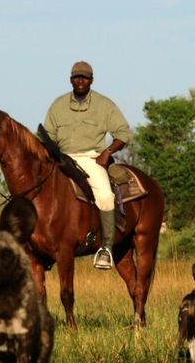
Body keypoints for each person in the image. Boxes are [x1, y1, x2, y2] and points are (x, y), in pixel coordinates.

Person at [43, 60, 133, 269]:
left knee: (105, 195)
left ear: (91, 80)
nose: (80, 80)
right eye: (76, 77)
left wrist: (107, 152)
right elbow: (48, 136)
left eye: (84, 77)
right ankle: (43, 247)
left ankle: (106, 249)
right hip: (63, 158)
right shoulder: (58, 105)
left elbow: (123, 133)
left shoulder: (105, 105)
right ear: (70, 80)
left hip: (92, 158)